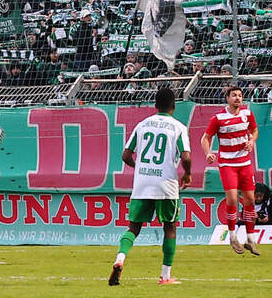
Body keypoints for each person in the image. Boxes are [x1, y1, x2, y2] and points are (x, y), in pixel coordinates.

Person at [109, 87, 192, 286]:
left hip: (142, 184)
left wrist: (141, 168)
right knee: (169, 227)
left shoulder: (142, 125)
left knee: (133, 227)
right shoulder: (178, 127)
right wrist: (187, 174)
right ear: (174, 105)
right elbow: (186, 156)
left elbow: (126, 156)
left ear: (155, 105)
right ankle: (165, 276)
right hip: (166, 184)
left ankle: (120, 259)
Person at [201, 85, 261, 255]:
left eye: (240, 96)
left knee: (250, 200)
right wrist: (208, 153)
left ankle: (251, 239)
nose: (237, 98)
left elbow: (255, 131)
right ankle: (233, 236)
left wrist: (252, 141)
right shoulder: (218, 118)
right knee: (233, 199)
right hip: (227, 164)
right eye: (234, 95)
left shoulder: (247, 114)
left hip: (245, 163)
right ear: (227, 98)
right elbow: (205, 138)